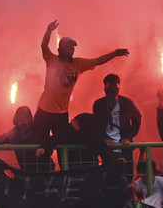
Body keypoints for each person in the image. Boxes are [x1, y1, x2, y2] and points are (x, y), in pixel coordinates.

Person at [35, 20, 129, 153]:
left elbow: (98, 60)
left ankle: (65, 173)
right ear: (59, 49)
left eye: (72, 48)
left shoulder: (78, 64)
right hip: (44, 111)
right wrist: (48, 30)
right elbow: (44, 46)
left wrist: (114, 54)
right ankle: (40, 171)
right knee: (40, 145)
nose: (71, 50)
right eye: (68, 47)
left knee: (62, 147)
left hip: (61, 114)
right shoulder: (52, 60)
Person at [92, 73, 141, 179]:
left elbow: (137, 120)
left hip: (124, 146)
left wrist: (128, 137)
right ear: (105, 87)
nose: (113, 88)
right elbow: (96, 126)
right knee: (110, 177)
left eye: (116, 85)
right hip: (107, 148)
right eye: (110, 85)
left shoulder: (127, 103)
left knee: (127, 176)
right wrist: (104, 139)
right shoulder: (99, 104)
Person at [0, 106, 53, 171]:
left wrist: (45, 147)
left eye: (25, 117)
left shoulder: (38, 130)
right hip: (29, 172)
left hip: (44, 170)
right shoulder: (15, 133)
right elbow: (2, 138)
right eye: (21, 118)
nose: (23, 122)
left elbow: (49, 142)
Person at [35, 112, 113, 170]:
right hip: (79, 164)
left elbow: (103, 148)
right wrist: (44, 147)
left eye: (77, 122)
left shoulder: (93, 134)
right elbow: (56, 138)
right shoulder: (69, 129)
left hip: (87, 163)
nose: (73, 122)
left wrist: (113, 161)